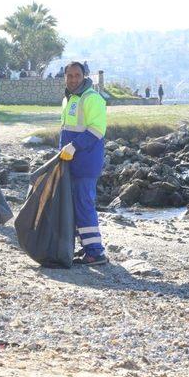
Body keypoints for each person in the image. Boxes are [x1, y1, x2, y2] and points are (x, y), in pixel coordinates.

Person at [59, 61, 108, 266]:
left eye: (77, 75)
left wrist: (74, 147)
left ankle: (96, 252)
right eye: (69, 75)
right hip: (71, 161)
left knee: (84, 205)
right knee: (77, 206)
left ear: (84, 75)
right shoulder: (69, 99)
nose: (73, 79)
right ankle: (87, 247)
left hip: (86, 162)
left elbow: (97, 129)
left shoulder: (91, 98)